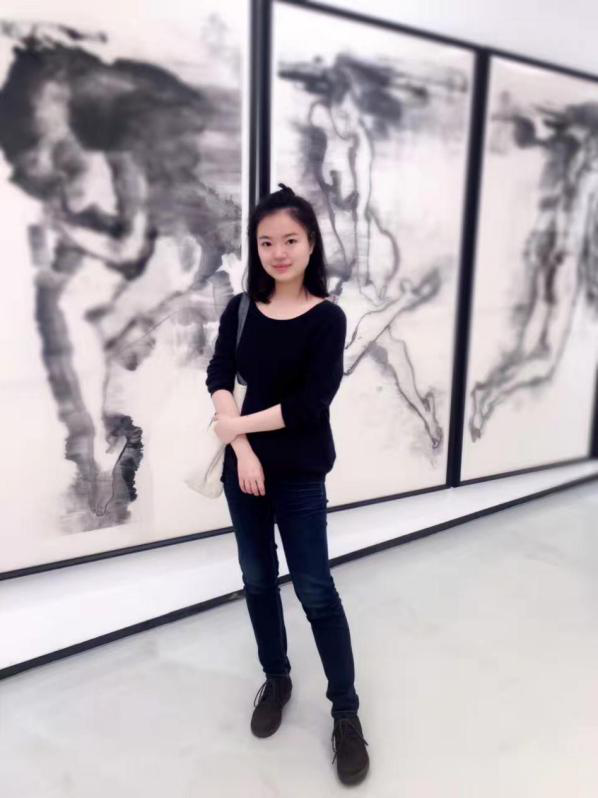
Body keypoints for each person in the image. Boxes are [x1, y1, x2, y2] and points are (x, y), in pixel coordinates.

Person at [205, 184, 370, 786]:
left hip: (299, 473)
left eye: (290, 240)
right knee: (256, 581)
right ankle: (276, 679)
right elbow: (219, 374)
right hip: (242, 471)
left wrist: (236, 428)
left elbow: (309, 404)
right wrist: (242, 449)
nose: (278, 252)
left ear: (311, 244)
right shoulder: (241, 309)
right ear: (256, 247)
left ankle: (345, 712)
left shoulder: (327, 318)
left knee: (315, 590)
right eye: (266, 242)